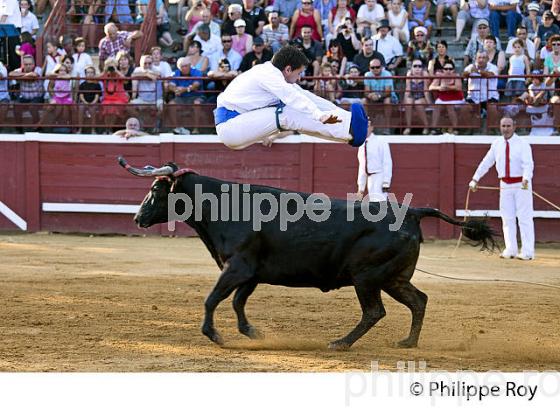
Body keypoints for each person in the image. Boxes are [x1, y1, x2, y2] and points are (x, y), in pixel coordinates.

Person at [214, 45, 369, 150]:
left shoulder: (275, 73)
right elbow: (294, 98)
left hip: (241, 120)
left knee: (297, 105)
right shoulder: (268, 76)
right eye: (299, 73)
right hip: (231, 125)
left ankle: (350, 132)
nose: (300, 77)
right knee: (287, 113)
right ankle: (349, 130)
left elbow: (306, 97)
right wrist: (318, 115)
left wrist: (343, 115)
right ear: (288, 69)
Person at [469, 116, 535, 260]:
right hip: (504, 185)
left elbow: (528, 164)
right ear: (500, 127)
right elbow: (486, 162)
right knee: (507, 218)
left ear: (514, 127)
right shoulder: (496, 144)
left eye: (508, 126)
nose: (506, 129)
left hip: (521, 185)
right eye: (503, 126)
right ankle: (511, 249)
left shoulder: (523, 144)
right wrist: (475, 178)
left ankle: (528, 251)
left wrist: (526, 178)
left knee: (524, 218)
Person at [356, 123, 393, 202]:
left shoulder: (380, 142)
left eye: (367, 127)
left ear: (372, 128)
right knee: (373, 203)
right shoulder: (361, 144)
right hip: (370, 178)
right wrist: (361, 187)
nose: (365, 129)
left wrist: (386, 182)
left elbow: (387, 162)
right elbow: (362, 166)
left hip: (380, 176)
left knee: (380, 202)